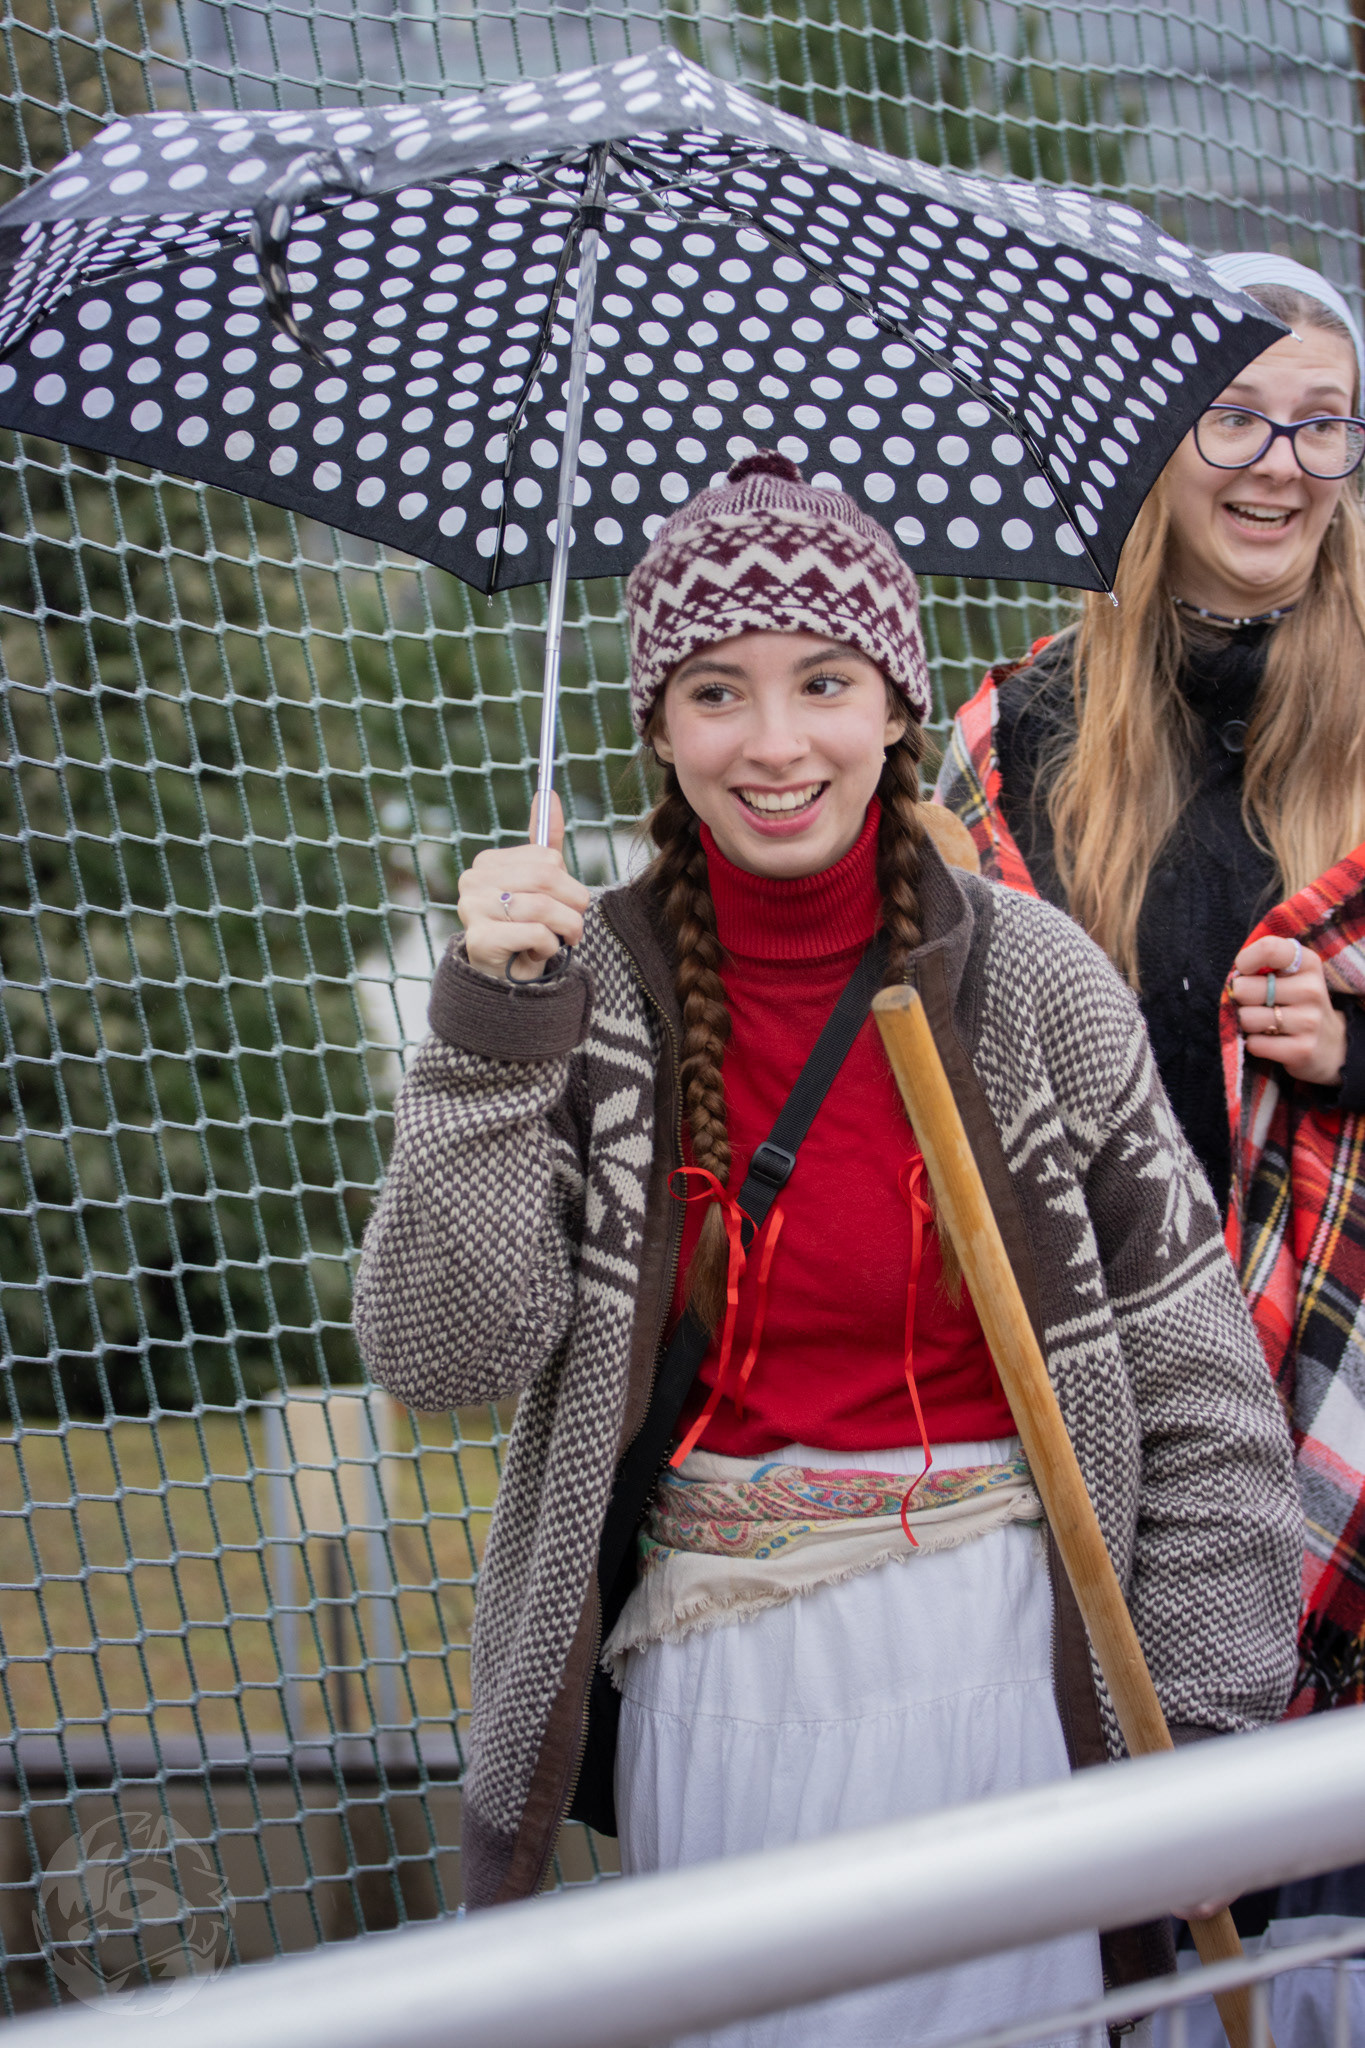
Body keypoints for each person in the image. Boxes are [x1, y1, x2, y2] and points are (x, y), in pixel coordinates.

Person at [354, 452, 1300, 2045]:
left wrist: (1196, 1749)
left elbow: (1203, 1403)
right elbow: (440, 1356)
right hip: (711, 1679)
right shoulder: (579, 995)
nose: (775, 743)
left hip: (1002, 1675)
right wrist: (487, 1035)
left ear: (896, 708)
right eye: (715, 691)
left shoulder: (1035, 988)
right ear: (657, 726)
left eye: (822, 682)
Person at [935, 253, 1365, 1919]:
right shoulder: (1020, 730)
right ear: (1152, 440)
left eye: (1322, 424)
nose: (1280, 465)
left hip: (1336, 1378)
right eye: (1234, 418)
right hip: (1106, 1370)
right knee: (1115, 1890)